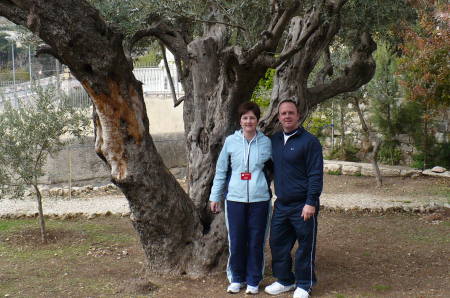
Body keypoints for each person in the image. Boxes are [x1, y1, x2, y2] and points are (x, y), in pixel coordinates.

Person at [209, 101, 272, 295]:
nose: (248, 121)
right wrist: (215, 196)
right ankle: (236, 278)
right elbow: (221, 170)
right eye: (245, 117)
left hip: (260, 199)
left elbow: (276, 169)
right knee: (236, 240)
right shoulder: (230, 141)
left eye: (252, 117)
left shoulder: (266, 142)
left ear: (257, 120)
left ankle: (253, 280)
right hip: (235, 199)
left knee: (256, 241)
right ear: (240, 120)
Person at [264, 99, 323, 298]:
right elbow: (270, 168)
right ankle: (285, 280)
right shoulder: (275, 140)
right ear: (279, 117)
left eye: (291, 113)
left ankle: (305, 284)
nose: (287, 116)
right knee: (277, 243)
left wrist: (311, 202)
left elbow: (316, 174)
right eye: (283, 113)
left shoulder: (310, 141)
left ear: (298, 115)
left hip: (303, 205)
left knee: (305, 246)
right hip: (281, 204)